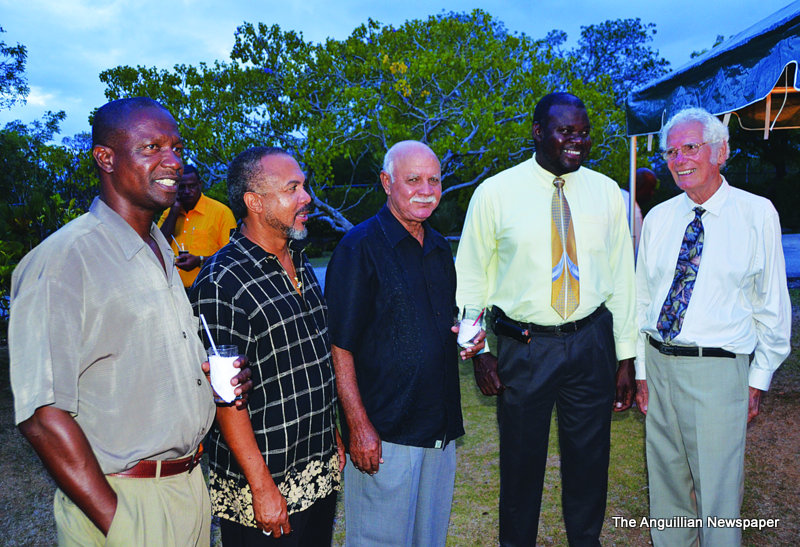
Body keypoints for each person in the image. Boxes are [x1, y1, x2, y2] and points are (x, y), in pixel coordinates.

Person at [8, 97, 251, 546]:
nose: (173, 162)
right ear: (105, 158)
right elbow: (42, 415)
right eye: (151, 147)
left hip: (189, 488)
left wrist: (208, 379)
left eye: (177, 147)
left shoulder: (161, 247)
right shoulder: (63, 260)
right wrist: (121, 524)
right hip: (124, 500)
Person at [455, 92, 637, 546]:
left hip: (591, 342)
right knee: (520, 467)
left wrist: (627, 356)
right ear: (538, 132)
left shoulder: (608, 195)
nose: (578, 141)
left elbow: (623, 279)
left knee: (590, 463)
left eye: (584, 132)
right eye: (566, 131)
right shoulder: (495, 193)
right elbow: (471, 279)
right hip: (524, 348)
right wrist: (478, 354)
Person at [635, 107, 791, 546]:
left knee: (719, 499)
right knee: (666, 492)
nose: (679, 159)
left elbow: (772, 306)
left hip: (719, 371)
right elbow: (643, 299)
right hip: (660, 366)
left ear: (719, 151)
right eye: (671, 151)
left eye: (690, 147)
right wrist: (643, 373)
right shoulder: (660, 218)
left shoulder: (757, 214)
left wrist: (757, 379)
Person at [325, 140, 484, 546]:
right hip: (386, 434)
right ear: (386, 182)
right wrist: (359, 427)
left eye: (434, 180)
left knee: (428, 540)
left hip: (440, 428)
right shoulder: (359, 247)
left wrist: (466, 340)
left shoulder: (438, 248)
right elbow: (338, 346)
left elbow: (435, 324)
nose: (426, 190)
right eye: (413, 180)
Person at [191, 146, 345, 546]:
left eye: (304, 186)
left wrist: (334, 437)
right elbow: (225, 395)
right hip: (263, 485)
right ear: (254, 202)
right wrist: (262, 488)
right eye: (292, 188)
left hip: (316, 470)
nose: (306, 197)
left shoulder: (298, 258)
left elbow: (312, 357)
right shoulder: (222, 279)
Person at [158, 164, 237, 289]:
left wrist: (199, 260)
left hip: (208, 289)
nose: (187, 191)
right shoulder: (169, 213)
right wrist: (174, 211)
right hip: (173, 290)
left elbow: (232, 256)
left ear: (200, 184)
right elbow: (157, 246)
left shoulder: (221, 212)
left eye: (192, 186)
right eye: (182, 187)